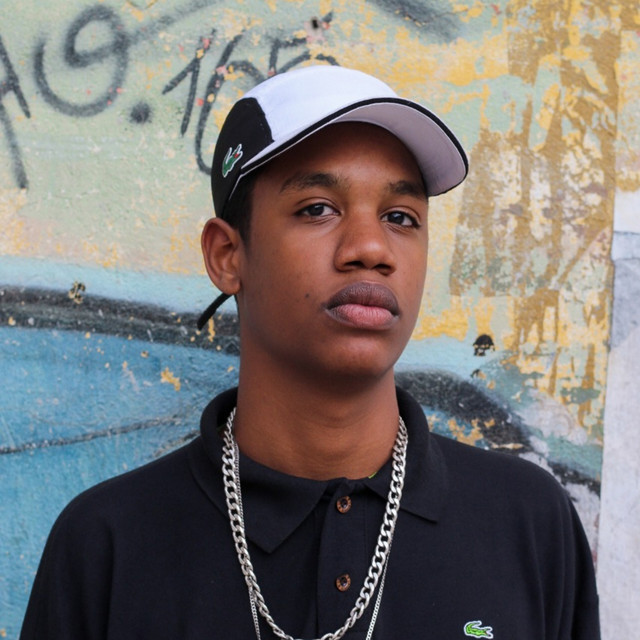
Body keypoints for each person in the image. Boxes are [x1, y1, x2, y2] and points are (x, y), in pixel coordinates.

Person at [20, 65, 600, 639]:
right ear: (227, 255)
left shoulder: (528, 522)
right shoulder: (108, 543)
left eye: (400, 218)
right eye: (318, 208)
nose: (370, 248)